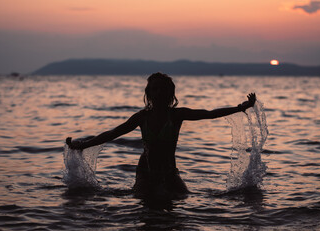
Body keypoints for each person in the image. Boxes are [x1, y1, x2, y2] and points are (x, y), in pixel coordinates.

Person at [66, 72, 256, 199]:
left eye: (163, 88)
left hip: (169, 171)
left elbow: (209, 113)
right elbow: (113, 133)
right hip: (145, 171)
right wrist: (83, 145)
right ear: (148, 93)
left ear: (170, 93)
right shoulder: (142, 117)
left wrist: (240, 108)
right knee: (145, 205)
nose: (159, 92)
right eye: (154, 88)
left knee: (182, 200)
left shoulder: (176, 115)